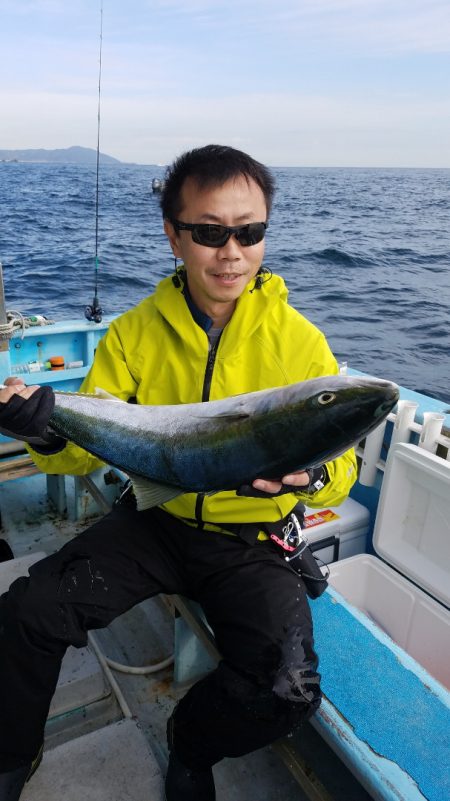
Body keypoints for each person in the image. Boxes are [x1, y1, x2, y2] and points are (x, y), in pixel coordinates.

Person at [0, 144, 356, 801]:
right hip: (154, 522)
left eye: (250, 232)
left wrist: (311, 480)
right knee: (29, 610)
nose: (231, 252)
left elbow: (342, 463)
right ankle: (10, 752)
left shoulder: (301, 342)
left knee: (288, 688)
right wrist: (45, 430)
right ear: (173, 234)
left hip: (251, 541)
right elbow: (85, 454)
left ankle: (190, 745)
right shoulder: (134, 335)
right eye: (210, 232)